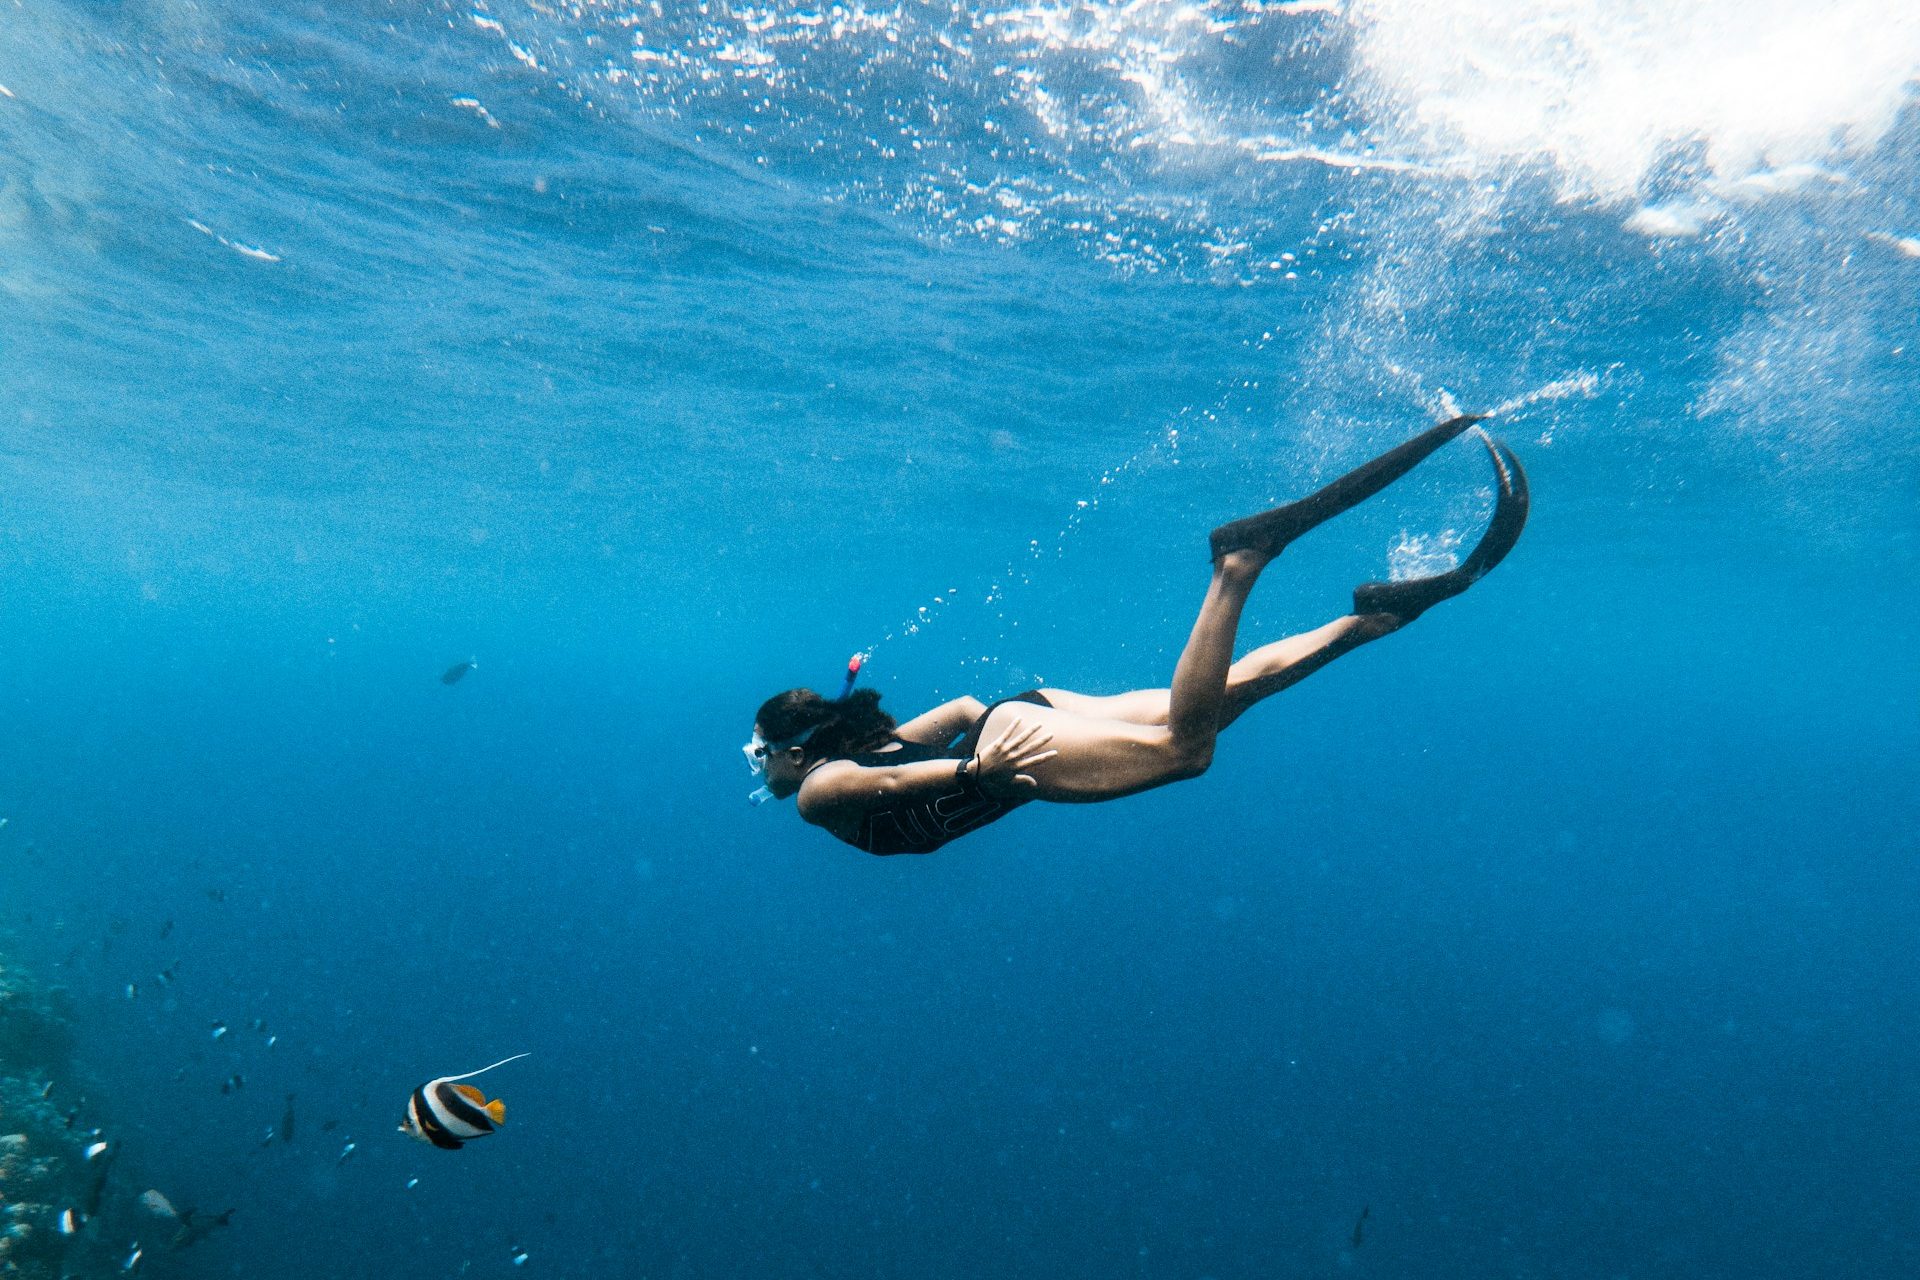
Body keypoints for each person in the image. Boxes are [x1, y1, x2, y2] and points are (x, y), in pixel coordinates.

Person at [745, 415, 1529, 856]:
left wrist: (977, 771)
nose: (760, 771)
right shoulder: (855, 750)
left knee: (1188, 753)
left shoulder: (817, 792)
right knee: (1213, 705)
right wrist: (981, 743)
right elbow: (951, 712)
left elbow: (882, 787)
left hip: (1010, 747)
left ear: (793, 750)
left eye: (758, 753)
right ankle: (1371, 619)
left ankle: (1238, 565)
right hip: (1022, 719)